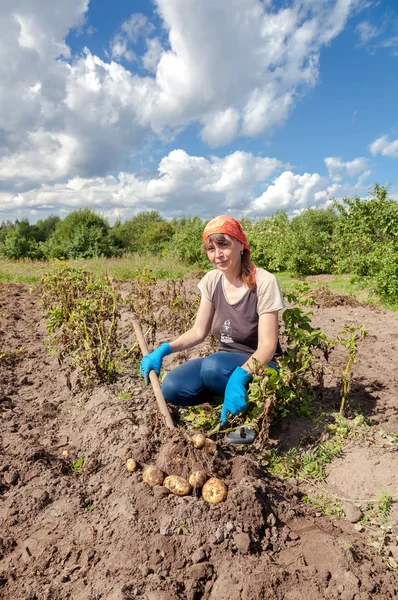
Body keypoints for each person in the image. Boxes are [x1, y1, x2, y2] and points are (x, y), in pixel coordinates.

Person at [140, 215, 285, 426]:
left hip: (262, 364)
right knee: (172, 386)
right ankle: (226, 396)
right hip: (224, 361)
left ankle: (250, 416)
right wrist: (164, 349)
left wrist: (241, 375)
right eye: (211, 249)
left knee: (213, 367)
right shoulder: (212, 280)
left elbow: (268, 345)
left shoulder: (264, 281)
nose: (218, 255)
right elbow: (199, 331)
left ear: (241, 245)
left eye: (224, 245)